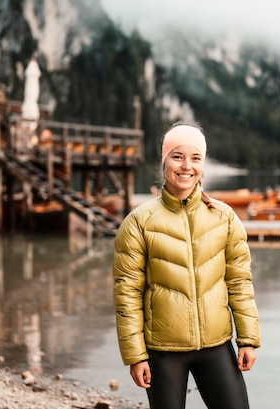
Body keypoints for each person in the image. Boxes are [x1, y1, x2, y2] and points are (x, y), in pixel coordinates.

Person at [112, 122, 261, 409]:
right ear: (164, 161)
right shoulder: (138, 222)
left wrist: (248, 339)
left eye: (195, 158)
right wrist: (136, 355)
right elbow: (127, 295)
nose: (186, 166)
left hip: (217, 346)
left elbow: (239, 282)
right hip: (163, 352)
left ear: (203, 165)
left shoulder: (224, 217)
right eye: (177, 156)